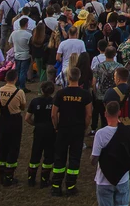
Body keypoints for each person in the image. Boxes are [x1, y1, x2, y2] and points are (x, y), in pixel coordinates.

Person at [51, 66, 93, 197]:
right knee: (75, 158)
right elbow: (89, 115)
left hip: (63, 129)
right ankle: (71, 185)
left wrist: (56, 126)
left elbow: (53, 114)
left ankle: (56, 186)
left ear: (68, 77)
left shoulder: (60, 93)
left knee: (59, 158)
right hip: (77, 129)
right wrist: (85, 127)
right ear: (79, 77)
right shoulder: (85, 94)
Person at [91, 100, 130, 206]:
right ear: (119, 113)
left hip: (103, 180)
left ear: (105, 114)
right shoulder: (128, 131)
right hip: (122, 178)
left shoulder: (100, 134)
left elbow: (94, 159)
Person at [0, 64, 27, 186]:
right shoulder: (19, 92)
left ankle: (1, 173)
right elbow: (22, 107)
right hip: (14, 121)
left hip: (1, 120)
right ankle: (9, 175)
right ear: (16, 79)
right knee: (14, 147)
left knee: (3, 146)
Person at [26, 81, 56, 188]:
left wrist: (36, 124)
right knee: (48, 155)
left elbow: (27, 118)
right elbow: (56, 117)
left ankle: (31, 179)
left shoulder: (35, 101)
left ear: (41, 90)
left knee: (35, 153)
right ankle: (45, 179)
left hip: (38, 130)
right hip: (50, 130)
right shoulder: (54, 102)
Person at [9, 17, 32, 90]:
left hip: (17, 54)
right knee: (23, 72)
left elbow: (10, 43)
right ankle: (22, 87)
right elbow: (30, 45)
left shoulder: (14, 33)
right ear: (26, 24)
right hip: (25, 54)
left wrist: (15, 48)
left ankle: (16, 85)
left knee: (17, 70)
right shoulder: (28, 35)